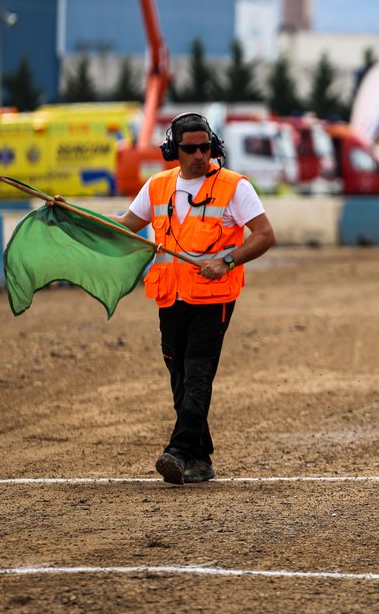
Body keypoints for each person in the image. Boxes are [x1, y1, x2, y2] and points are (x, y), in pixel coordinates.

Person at [112, 112, 276, 484]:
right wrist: (76, 217)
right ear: (174, 150)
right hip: (170, 296)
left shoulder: (235, 187)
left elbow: (265, 235)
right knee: (180, 376)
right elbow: (124, 227)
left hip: (214, 297)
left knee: (199, 373)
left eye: (205, 147)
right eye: (190, 149)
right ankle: (200, 459)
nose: (200, 155)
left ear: (213, 146)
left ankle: (179, 450)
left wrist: (228, 260)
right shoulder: (156, 186)